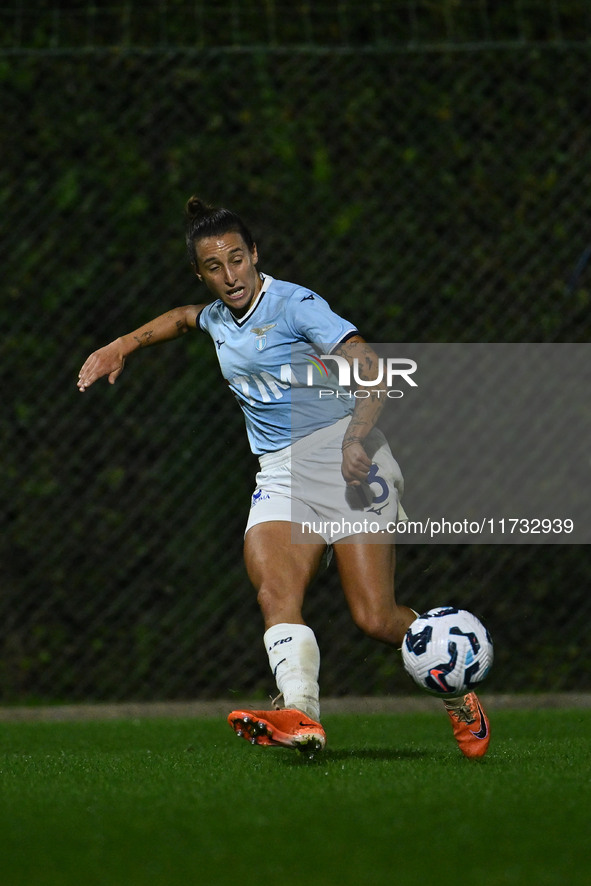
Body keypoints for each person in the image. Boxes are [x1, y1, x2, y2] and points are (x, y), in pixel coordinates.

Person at [77, 196, 490, 759]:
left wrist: (353, 441)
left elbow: (371, 368)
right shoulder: (219, 316)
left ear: (255, 255)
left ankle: (456, 683)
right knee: (274, 590)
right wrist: (120, 345)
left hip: (348, 459)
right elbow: (181, 318)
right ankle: (301, 712)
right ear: (200, 273)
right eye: (214, 266)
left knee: (375, 617)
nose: (230, 275)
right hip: (280, 473)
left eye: (238, 259)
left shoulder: (295, 305)